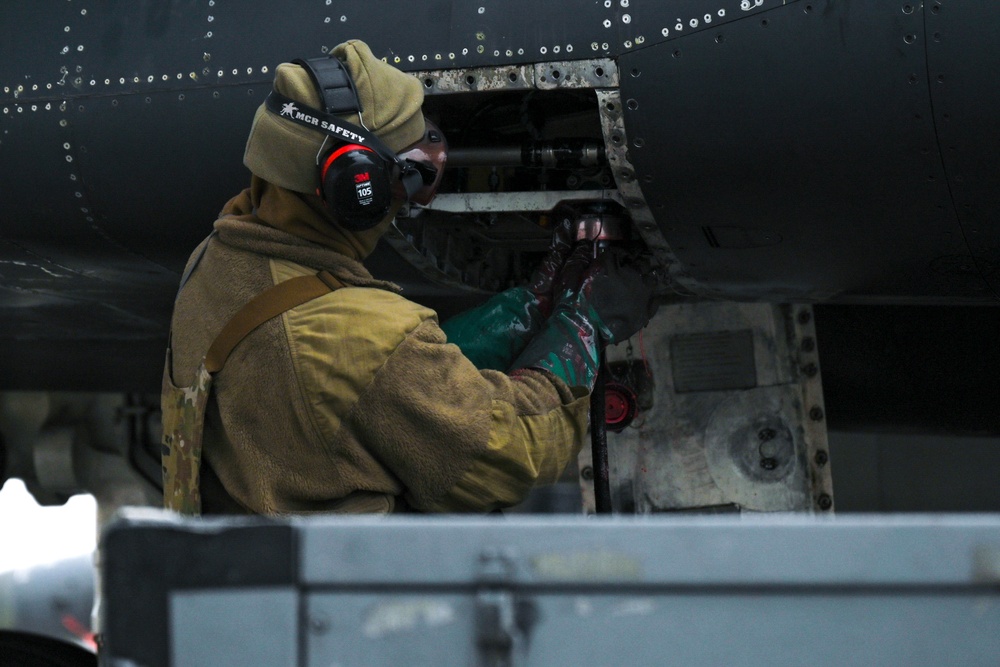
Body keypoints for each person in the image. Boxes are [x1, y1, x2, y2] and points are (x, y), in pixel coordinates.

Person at [161, 39, 656, 516]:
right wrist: (583, 328)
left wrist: (532, 307)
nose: (413, 196)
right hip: (341, 591)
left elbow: (373, 381)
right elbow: (511, 452)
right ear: (359, 188)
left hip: (236, 570)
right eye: (413, 172)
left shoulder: (216, 262)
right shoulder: (360, 336)